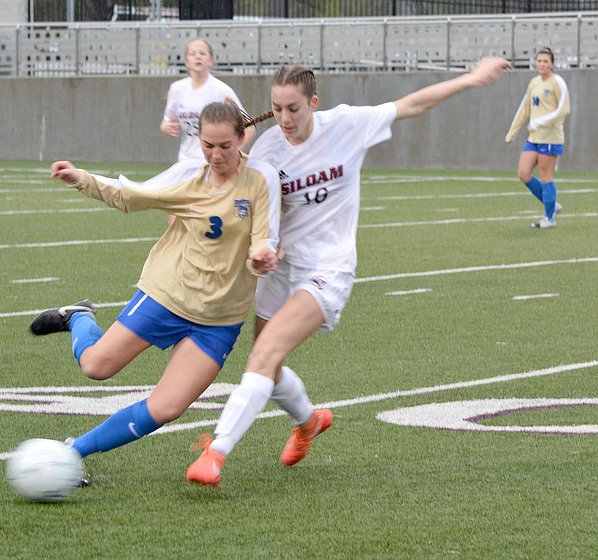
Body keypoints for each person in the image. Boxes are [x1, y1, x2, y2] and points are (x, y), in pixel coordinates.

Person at [186, 56, 512, 487]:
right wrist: (262, 250)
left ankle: (217, 452)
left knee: (263, 358)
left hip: (329, 269)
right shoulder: (265, 149)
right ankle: (308, 422)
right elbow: (256, 211)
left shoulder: (347, 125)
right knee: (268, 359)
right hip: (282, 271)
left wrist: (472, 79)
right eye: (277, 108)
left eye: (294, 109)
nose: (284, 118)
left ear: (313, 103)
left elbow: (412, 104)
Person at [29, 102, 280, 478]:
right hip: (168, 295)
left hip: (220, 320)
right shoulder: (188, 176)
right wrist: (80, 177)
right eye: (207, 145)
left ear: (242, 139)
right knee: (96, 366)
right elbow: (130, 195)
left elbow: (264, 237)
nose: (215, 155)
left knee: (166, 408)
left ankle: (73, 452)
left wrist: (261, 257)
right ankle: (79, 317)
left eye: (224, 146)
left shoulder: (261, 179)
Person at [505, 47, 570, 229]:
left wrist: (541, 121)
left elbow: (564, 110)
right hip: (534, 137)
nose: (541, 64)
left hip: (550, 137)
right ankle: (551, 202)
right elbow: (525, 108)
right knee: (523, 173)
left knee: (545, 175)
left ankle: (550, 218)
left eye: (545, 61)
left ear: (552, 64)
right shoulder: (534, 82)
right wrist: (513, 131)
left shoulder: (558, 82)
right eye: (539, 60)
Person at [160, 37, 254, 162]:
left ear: (211, 60)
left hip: (211, 162)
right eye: (192, 54)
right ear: (186, 61)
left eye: (202, 53)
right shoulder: (177, 89)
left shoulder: (221, 90)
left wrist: (233, 152)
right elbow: (167, 120)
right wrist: (165, 126)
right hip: (184, 160)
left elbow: (249, 126)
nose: (198, 57)